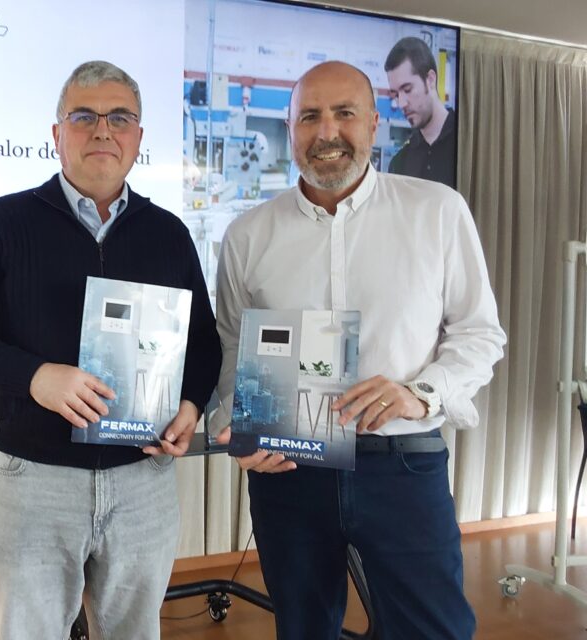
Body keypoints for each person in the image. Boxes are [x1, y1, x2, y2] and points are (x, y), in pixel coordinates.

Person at [0, 60, 221, 639]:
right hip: (35, 478)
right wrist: (35, 376)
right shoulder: (3, 222)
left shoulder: (169, 234)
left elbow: (204, 342)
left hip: (143, 478)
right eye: (84, 116)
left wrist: (190, 405)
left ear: (139, 137)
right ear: (56, 134)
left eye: (120, 118)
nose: (103, 130)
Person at [213, 61, 505, 639]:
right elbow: (231, 349)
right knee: (303, 628)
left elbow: (480, 333)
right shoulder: (247, 235)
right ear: (291, 129)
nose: (327, 132)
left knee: (434, 629)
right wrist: (239, 429)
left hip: (402, 462)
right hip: (288, 471)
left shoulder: (437, 211)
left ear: (374, 123)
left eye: (344, 113)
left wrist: (421, 393)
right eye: (309, 117)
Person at [384, 36, 457, 187]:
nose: (401, 103)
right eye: (396, 95)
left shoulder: (467, 142)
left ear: (430, 80)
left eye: (407, 89)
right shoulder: (400, 163)